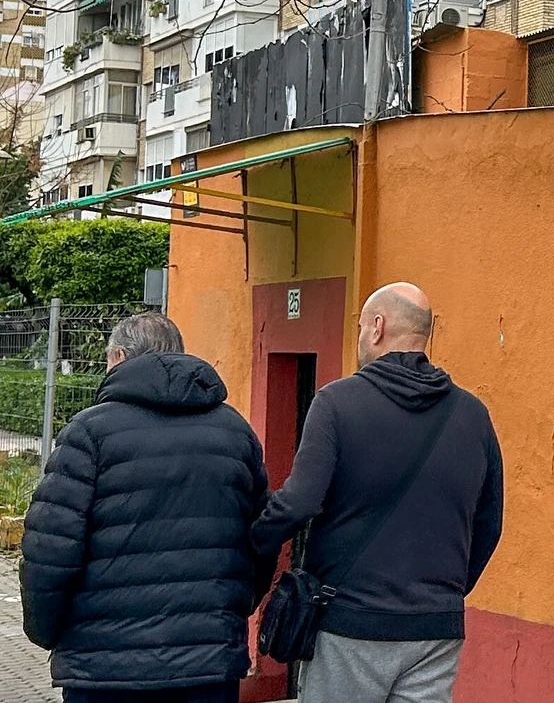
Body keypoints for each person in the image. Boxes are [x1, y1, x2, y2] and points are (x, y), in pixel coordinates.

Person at [252, 282, 504, 703]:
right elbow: (489, 524)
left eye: (360, 326)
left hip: (350, 622)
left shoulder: (335, 403)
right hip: (435, 629)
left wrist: (251, 541)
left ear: (377, 327)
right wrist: (446, 592)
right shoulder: (474, 415)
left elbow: (299, 503)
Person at [21, 312, 271, 703]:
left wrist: (47, 630)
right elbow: (262, 538)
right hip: (207, 663)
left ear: (119, 357)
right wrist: (228, 613)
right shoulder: (235, 432)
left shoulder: (89, 433)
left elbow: (49, 549)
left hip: (105, 667)